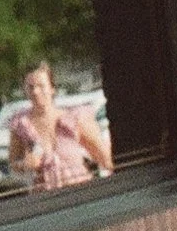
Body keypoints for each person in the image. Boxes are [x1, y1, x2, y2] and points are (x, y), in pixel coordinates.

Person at [7, 61, 112, 190]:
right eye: (30, 87)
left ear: (52, 88)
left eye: (41, 86)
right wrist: (25, 164)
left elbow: (104, 158)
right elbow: (13, 163)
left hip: (80, 193)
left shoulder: (73, 120)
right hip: (45, 199)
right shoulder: (21, 124)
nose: (35, 91)